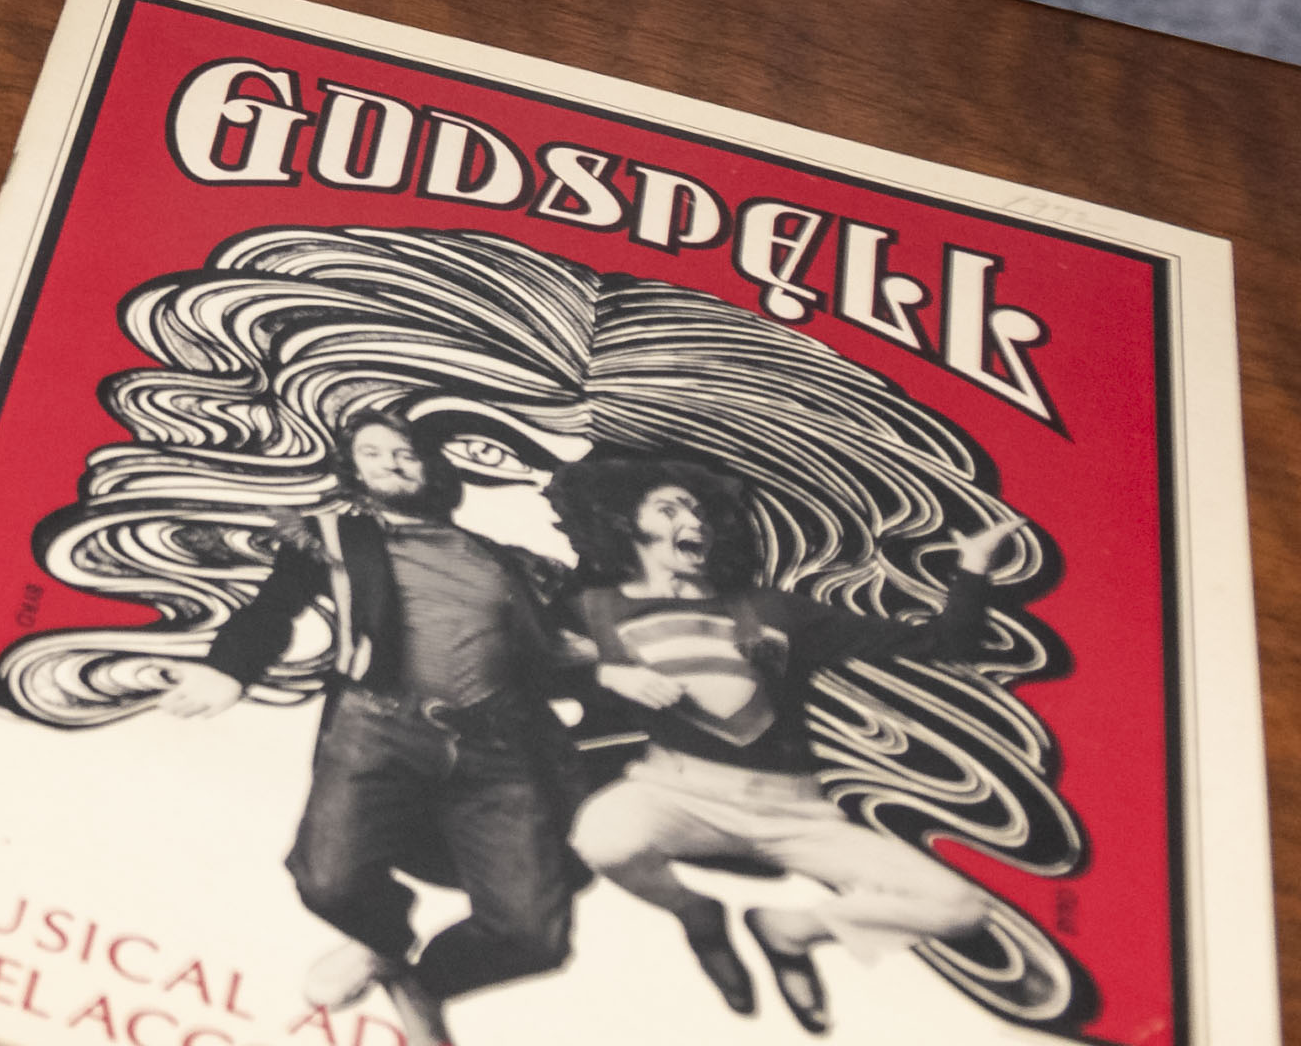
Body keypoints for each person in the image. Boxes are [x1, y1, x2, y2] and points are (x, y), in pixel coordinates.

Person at [550, 451, 1027, 1033]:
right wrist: (603, 672)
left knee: (961, 908)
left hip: (795, 812)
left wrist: (973, 567)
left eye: (698, 511)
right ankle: (695, 915)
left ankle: (786, 930)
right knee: (603, 840)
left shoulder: (775, 609)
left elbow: (941, 644)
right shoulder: (591, 610)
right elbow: (522, 670)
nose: (692, 522)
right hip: (675, 793)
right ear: (625, 522)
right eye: (669, 509)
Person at [148, 408, 585, 1042]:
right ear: (352, 470)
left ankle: (421, 981)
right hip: (377, 725)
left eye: (407, 452)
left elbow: (551, 656)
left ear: (433, 468)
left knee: (532, 935)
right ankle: (382, 937)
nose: (394, 462)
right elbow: (272, 610)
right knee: (328, 882)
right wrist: (228, 670)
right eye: (375, 452)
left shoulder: (504, 560)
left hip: (500, 742)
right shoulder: (335, 535)